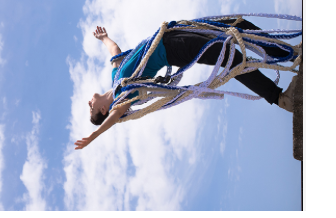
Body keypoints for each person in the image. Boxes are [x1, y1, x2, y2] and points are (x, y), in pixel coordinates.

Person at [75, 19, 299, 150]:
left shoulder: (116, 80)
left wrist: (104, 38)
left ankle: (291, 53)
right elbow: (115, 118)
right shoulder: (124, 98)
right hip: (174, 49)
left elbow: (115, 52)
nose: (89, 103)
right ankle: (279, 98)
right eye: (91, 109)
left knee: (236, 24)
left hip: (172, 33)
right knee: (229, 55)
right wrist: (94, 136)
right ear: (103, 110)